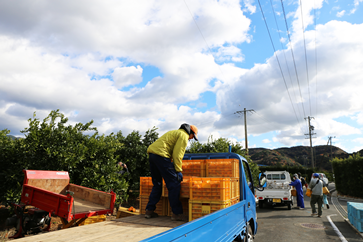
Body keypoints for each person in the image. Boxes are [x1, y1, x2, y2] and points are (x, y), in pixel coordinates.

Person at [145, 123, 198, 221]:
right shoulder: (184, 136)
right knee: (174, 184)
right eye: (192, 137)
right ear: (190, 133)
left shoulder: (174, 132)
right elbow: (177, 155)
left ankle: (149, 210)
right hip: (162, 156)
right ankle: (176, 214)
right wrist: (178, 171)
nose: (190, 139)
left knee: (157, 184)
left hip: (152, 155)